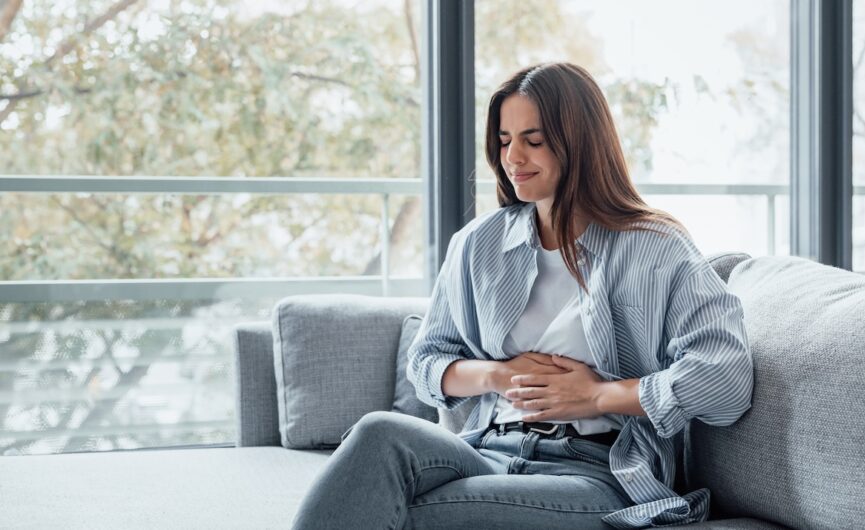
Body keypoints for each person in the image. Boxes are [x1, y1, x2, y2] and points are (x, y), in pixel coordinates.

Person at [291, 62, 754, 529]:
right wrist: (497, 375)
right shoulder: (479, 244)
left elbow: (726, 379)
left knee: (389, 512)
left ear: (580, 144)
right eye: (504, 140)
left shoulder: (655, 247)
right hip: (485, 449)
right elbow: (427, 363)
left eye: (533, 141)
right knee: (378, 433)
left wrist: (598, 396)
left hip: (595, 472)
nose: (513, 157)